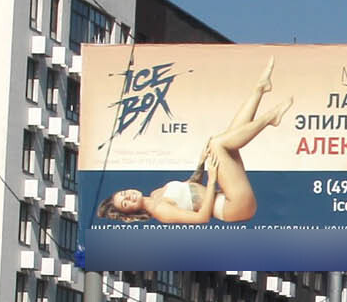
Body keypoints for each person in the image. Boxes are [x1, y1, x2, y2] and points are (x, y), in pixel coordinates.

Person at [98, 61, 289, 225]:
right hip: (234, 207)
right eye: (126, 203)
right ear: (130, 213)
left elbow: (190, 189)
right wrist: (212, 178)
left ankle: (259, 90)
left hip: (226, 196)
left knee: (218, 145)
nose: (129, 196)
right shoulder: (160, 211)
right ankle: (269, 118)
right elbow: (201, 218)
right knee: (218, 144)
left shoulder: (156, 193)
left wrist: (200, 164)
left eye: (124, 193)